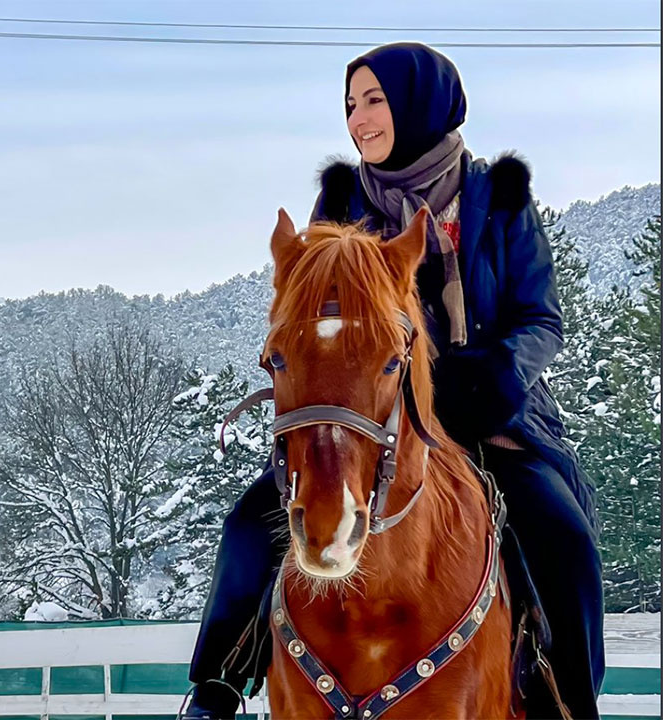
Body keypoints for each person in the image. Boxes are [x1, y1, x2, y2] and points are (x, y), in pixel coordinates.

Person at [184, 42, 604, 719]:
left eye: (374, 101)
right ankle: (216, 686)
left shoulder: (499, 199)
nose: (359, 120)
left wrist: (496, 373)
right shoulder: (341, 201)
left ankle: (571, 702)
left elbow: (541, 319)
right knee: (247, 524)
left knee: (563, 535)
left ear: (420, 106)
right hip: (369, 417)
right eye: (351, 105)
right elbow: (313, 317)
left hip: (490, 416)